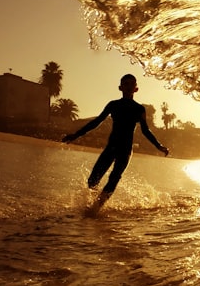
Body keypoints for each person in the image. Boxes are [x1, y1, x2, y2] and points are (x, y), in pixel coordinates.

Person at [62, 74, 169, 207]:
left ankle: (97, 207)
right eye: (126, 84)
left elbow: (145, 130)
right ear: (120, 87)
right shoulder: (114, 105)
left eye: (131, 84)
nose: (129, 86)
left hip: (125, 150)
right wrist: (76, 135)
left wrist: (159, 146)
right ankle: (89, 204)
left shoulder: (139, 109)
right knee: (92, 180)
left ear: (136, 88)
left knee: (114, 177)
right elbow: (96, 122)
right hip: (111, 147)